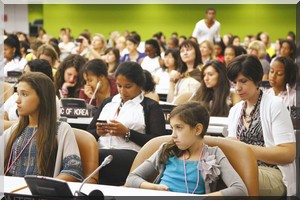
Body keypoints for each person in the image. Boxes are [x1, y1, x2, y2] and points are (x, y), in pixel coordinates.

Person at [126, 102, 248, 196]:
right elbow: (132, 178)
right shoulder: (167, 150)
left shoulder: (214, 154)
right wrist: (155, 188)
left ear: (197, 129)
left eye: (179, 128)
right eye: (172, 128)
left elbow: (240, 189)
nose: (173, 135)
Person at [226, 54, 296, 196]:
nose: (237, 88)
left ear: (257, 79)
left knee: (231, 179)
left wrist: (243, 148)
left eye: (243, 81)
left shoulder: (275, 105)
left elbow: (288, 153)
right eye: (234, 82)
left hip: (273, 172)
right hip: (242, 169)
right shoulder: (235, 111)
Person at [87, 61, 165, 185]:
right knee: (85, 154)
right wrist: (98, 132)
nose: (122, 91)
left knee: (94, 157)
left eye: (128, 87)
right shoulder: (108, 103)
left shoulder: (150, 107)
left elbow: (157, 142)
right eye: (119, 86)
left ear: (140, 85)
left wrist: (127, 133)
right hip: (102, 150)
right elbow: (88, 133)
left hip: (133, 156)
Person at [2, 72, 83, 181]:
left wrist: (44, 187)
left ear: (42, 98)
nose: (17, 100)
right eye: (18, 94)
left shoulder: (61, 129)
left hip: (42, 193)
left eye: (24, 94)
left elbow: (73, 171)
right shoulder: (14, 130)